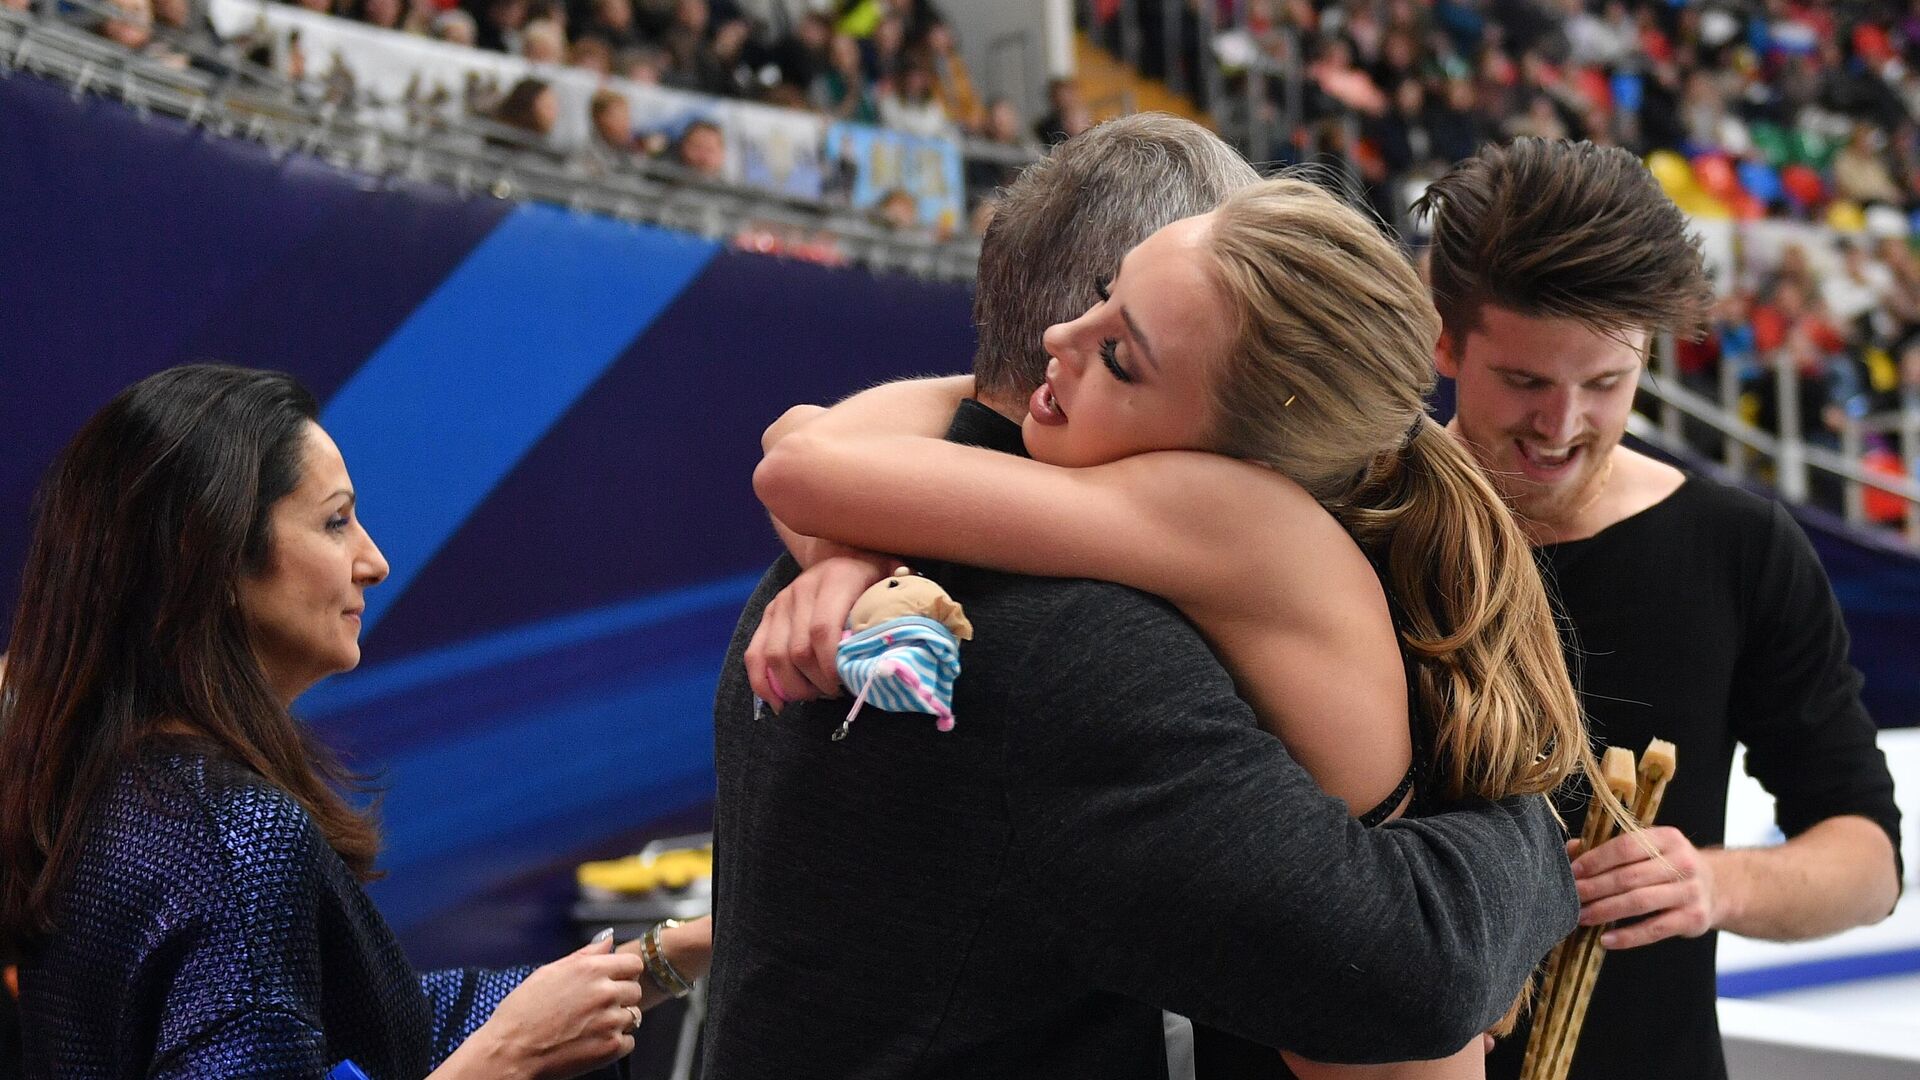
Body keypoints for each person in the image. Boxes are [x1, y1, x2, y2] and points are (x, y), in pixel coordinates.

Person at [703, 113, 1581, 1079]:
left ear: (1240, 445)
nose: (1058, 339)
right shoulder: (1076, 573)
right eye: (1099, 296)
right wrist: (857, 556)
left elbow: (1418, 977)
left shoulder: (1171, 552)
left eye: (1124, 352)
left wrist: (1534, 842)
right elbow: (814, 446)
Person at [0, 365, 712, 1079]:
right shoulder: (237, 836)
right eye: (336, 521)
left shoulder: (98, 786)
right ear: (212, 558)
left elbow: (364, 1028)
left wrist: (664, 957)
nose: (373, 561)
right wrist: (509, 1059)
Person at [1409, 139, 1904, 1080]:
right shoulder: (1354, 525)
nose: (1561, 429)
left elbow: (1868, 861)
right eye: (1524, 382)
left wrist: (1710, 882)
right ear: (1444, 338)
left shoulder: (1738, 549)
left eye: (1605, 384)